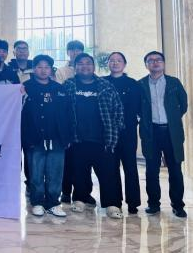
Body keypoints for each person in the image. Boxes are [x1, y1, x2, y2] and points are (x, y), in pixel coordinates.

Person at [63, 53, 124, 219]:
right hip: (77, 138)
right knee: (79, 171)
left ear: (93, 66)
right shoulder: (68, 85)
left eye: (88, 63)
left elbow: (118, 109)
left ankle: (112, 204)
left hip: (103, 138)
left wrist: (115, 129)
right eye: (81, 63)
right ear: (75, 67)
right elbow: (61, 109)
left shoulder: (105, 85)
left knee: (108, 173)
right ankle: (80, 199)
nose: (85, 66)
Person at [22, 55, 74, 217]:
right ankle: (37, 202)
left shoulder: (60, 89)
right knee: (36, 173)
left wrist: (67, 136)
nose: (43, 70)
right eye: (39, 67)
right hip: (34, 138)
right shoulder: (25, 87)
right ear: (34, 69)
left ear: (51, 70)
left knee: (55, 172)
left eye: (46, 67)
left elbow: (68, 114)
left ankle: (53, 203)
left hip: (57, 138)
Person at [139, 51, 188, 218]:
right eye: (150, 60)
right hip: (150, 132)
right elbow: (138, 108)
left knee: (175, 170)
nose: (155, 62)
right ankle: (153, 204)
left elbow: (183, 104)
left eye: (158, 60)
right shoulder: (140, 84)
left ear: (164, 63)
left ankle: (178, 205)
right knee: (151, 171)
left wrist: (172, 119)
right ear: (146, 65)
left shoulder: (174, 82)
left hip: (171, 132)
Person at [104, 52, 142, 214]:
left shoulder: (133, 84)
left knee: (130, 167)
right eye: (112, 60)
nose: (115, 63)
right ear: (108, 64)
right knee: (110, 168)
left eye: (119, 60)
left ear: (124, 64)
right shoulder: (102, 82)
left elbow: (139, 107)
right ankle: (114, 202)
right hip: (108, 133)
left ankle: (133, 203)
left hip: (128, 132)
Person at [57, 40, 87, 203]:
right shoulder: (61, 71)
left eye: (78, 50)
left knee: (83, 161)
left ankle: (84, 193)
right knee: (67, 160)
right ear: (68, 52)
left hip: (85, 123)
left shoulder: (88, 69)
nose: (75, 53)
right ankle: (66, 191)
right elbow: (59, 92)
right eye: (72, 50)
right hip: (68, 120)